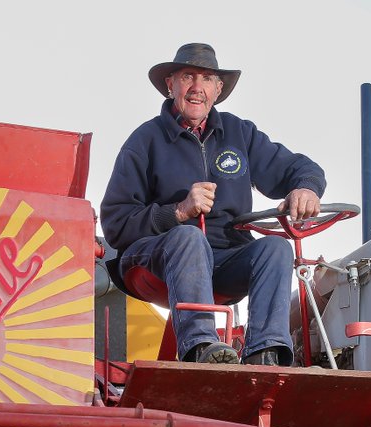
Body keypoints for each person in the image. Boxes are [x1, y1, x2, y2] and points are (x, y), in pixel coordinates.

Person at [99, 43, 326, 366]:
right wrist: (177, 212)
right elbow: (116, 224)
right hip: (153, 261)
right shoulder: (145, 140)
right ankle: (200, 348)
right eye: (187, 76)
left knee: (275, 248)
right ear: (170, 85)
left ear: (218, 90)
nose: (196, 88)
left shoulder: (239, 133)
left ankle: (265, 353)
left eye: (206, 79)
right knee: (189, 237)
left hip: (225, 259)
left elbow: (300, 168)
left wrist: (306, 188)